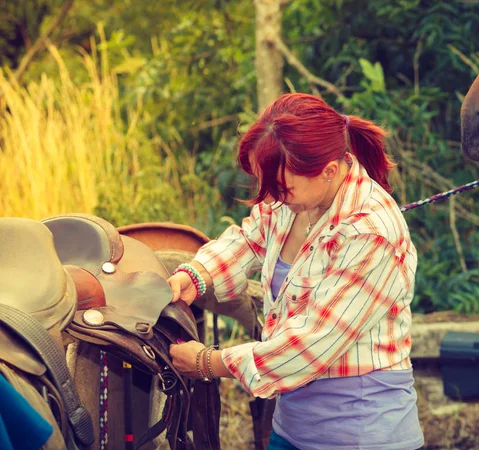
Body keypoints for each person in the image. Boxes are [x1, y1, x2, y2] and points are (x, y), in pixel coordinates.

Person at [168, 93, 423, 450]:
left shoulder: (371, 234)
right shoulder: (293, 200)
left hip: (360, 434)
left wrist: (209, 362)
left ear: (330, 170)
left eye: (281, 188)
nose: (270, 198)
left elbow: (312, 343)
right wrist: (194, 276)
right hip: (292, 428)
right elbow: (248, 239)